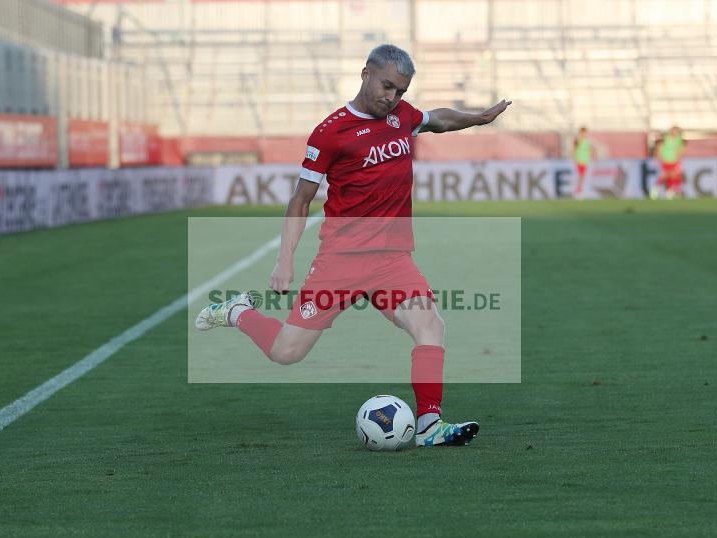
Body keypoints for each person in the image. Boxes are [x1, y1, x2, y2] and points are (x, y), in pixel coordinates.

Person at [195, 44, 512, 447]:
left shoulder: (402, 116)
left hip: (393, 260)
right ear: (365, 74)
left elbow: (437, 120)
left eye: (400, 91)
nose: (392, 97)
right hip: (340, 262)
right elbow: (300, 199)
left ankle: (430, 425)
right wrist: (285, 261)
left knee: (431, 326)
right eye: (387, 86)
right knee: (286, 353)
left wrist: (478, 118)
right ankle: (239, 311)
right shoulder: (331, 133)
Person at [651, 126, 685, 199]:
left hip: (674, 161)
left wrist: (679, 159)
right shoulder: (666, 138)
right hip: (666, 160)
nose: (675, 132)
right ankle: (655, 189)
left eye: (676, 131)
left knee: (674, 176)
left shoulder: (678, 139)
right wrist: (657, 156)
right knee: (665, 175)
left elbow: (680, 150)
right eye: (673, 131)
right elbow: (659, 147)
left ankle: (670, 192)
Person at [573, 126, 593, 197]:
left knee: (583, 177)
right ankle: (578, 191)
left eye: (585, 133)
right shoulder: (578, 140)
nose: (584, 134)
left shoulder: (587, 141)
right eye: (583, 132)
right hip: (579, 160)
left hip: (585, 161)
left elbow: (589, 150)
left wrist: (591, 157)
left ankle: (580, 191)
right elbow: (574, 149)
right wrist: (574, 158)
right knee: (580, 176)